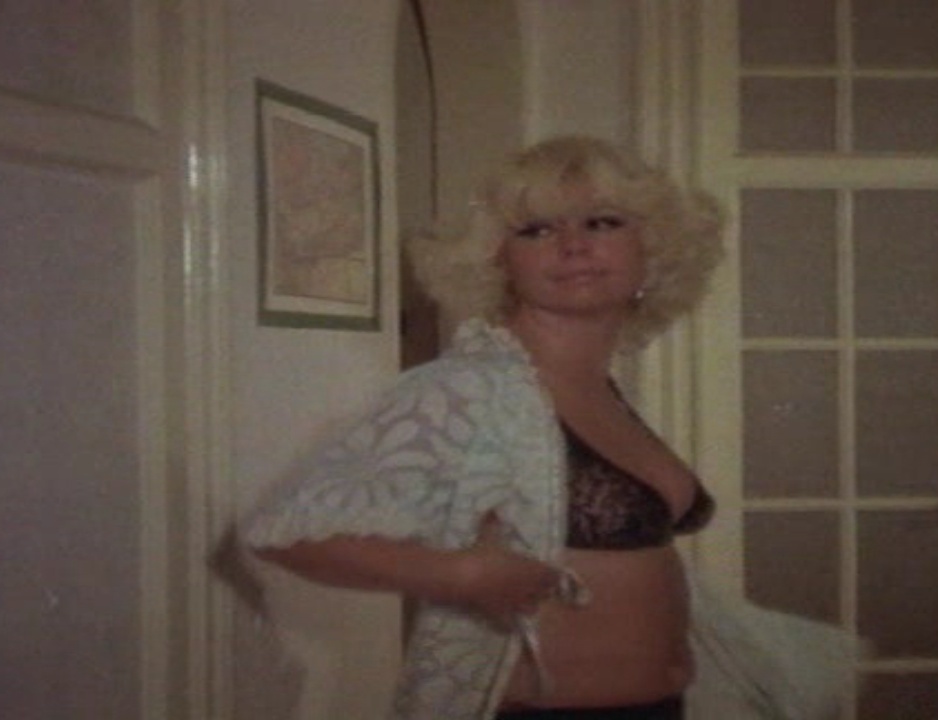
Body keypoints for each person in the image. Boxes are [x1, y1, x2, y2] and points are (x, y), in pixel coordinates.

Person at [240, 136, 856, 720]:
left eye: (603, 222)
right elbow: (286, 532)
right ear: (499, 260)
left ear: (653, 248)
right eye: (536, 230)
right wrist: (461, 575)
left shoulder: (601, 389)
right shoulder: (469, 388)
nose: (573, 245)